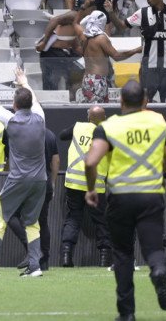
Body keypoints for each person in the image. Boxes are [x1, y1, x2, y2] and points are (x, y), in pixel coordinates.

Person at [82, 80, 166, 320]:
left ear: (121, 101)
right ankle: (158, 269)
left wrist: (91, 189)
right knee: (153, 248)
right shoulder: (159, 122)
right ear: (145, 99)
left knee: (123, 254)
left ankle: (127, 313)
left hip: (120, 198)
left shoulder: (109, 126)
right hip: (151, 195)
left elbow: (91, 161)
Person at [0, 67, 48, 277]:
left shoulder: (10, 120)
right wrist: (24, 82)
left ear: (14, 105)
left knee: (0, 216)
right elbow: (35, 101)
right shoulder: (40, 118)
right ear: (31, 103)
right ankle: (35, 266)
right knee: (32, 222)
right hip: (41, 180)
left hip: (18, 178)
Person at [58, 105, 110, 267]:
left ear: (88, 117)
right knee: (101, 221)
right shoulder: (108, 133)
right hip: (95, 185)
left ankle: (66, 257)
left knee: (73, 218)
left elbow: (61, 135)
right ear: (104, 118)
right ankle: (104, 259)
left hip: (73, 182)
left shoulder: (78, 127)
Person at [78, 9, 141, 102]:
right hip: (97, 80)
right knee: (98, 111)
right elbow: (117, 56)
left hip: (87, 79)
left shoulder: (85, 39)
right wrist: (136, 50)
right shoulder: (101, 38)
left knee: (91, 111)